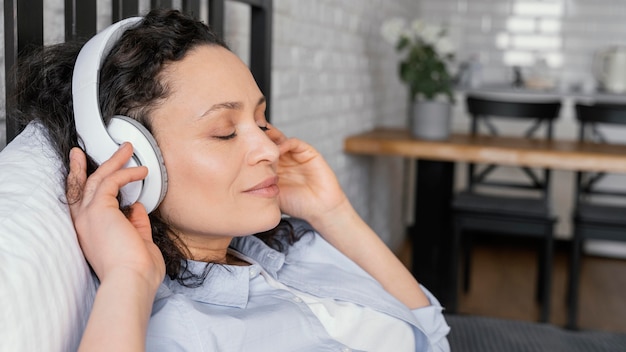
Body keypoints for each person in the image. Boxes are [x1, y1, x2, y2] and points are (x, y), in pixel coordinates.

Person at [13, 8, 450, 352]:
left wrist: (332, 212)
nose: (268, 148)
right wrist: (127, 275)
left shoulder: (283, 245)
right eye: (224, 131)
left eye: (261, 122)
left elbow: (429, 332)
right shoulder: (180, 331)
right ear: (129, 159)